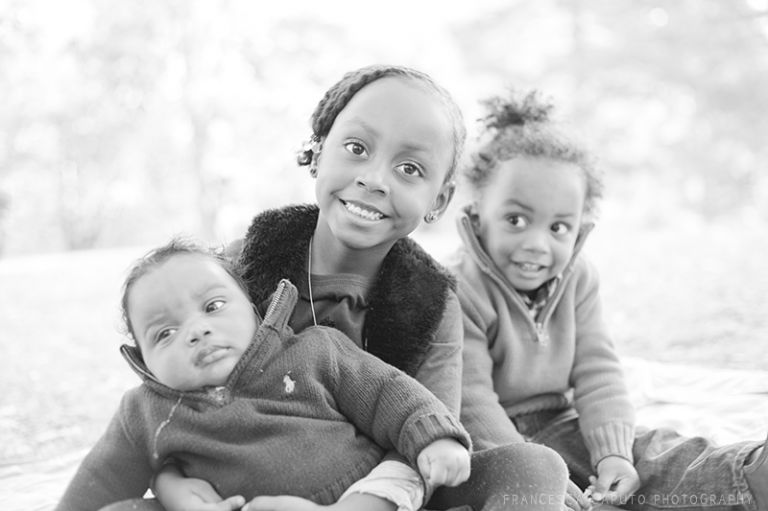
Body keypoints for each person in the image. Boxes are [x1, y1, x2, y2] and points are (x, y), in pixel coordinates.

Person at [154, 65, 570, 511]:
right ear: (317, 153)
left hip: (383, 490)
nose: (374, 178)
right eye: (356, 148)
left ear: (440, 200)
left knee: (532, 468)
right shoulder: (239, 268)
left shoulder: (432, 302)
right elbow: (165, 401)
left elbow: (436, 431)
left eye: (409, 168)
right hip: (243, 482)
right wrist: (171, 484)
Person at [450, 88, 768, 511]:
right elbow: (471, 398)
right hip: (487, 440)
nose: (537, 244)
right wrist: (524, 466)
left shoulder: (577, 278)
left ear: (581, 227)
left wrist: (613, 453)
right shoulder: (457, 287)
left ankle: (748, 475)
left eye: (558, 228)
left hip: (558, 421)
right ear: (477, 213)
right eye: (516, 220)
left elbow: (598, 369)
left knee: (652, 453)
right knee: (531, 494)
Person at [55, 238, 474, 511]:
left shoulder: (315, 350)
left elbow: (389, 393)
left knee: (402, 472)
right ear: (143, 361)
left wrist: (435, 437)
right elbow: (98, 480)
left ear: (254, 309)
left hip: (362, 489)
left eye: (214, 307)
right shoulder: (146, 412)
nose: (197, 331)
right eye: (165, 332)